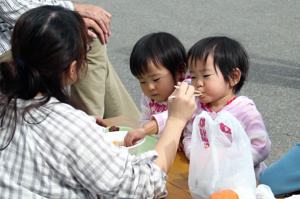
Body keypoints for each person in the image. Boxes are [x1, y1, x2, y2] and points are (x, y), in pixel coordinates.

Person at [0, 6, 196, 198]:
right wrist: (176, 120)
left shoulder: (7, 101)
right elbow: (142, 187)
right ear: (72, 68)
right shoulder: (71, 127)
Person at [126, 36, 272, 180]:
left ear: (234, 77)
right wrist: (196, 156)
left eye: (206, 75)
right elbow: (187, 133)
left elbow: (261, 146)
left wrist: (230, 164)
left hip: (246, 180)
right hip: (208, 176)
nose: (197, 83)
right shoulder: (198, 104)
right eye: (194, 77)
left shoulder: (244, 110)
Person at [0, 0, 140, 120]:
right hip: (12, 42)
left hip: (25, 32)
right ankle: (90, 126)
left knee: (89, 33)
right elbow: (15, 10)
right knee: (87, 37)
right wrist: (71, 11)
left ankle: (132, 126)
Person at [124, 32, 188, 146]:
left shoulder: (186, 92)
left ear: (180, 71)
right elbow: (144, 119)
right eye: (142, 81)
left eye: (156, 79)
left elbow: (171, 115)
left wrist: (146, 130)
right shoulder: (148, 96)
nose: (149, 87)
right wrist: (143, 130)